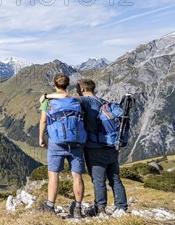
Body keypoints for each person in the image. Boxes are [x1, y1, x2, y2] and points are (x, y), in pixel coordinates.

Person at [39, 78, 128, 216]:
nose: (78, 92)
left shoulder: (85, 101)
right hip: (112, 145)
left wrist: (45, 96)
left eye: (79, 90)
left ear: (84, 89)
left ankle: (100, 208)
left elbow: (64, 95)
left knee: (98, 179)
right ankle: (121, 206)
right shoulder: (103, 102)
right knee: (114, 177)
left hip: (95, 147)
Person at [38, 74, 86, 218]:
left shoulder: (48, 101)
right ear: (68, 84)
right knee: (77, 176)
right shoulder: (76, 100)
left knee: (54, 175)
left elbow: (43, 121)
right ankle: (77, 208)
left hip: (56, 143)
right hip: (76, 142)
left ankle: (50, 206)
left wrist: (41, 138)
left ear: (54, 84)